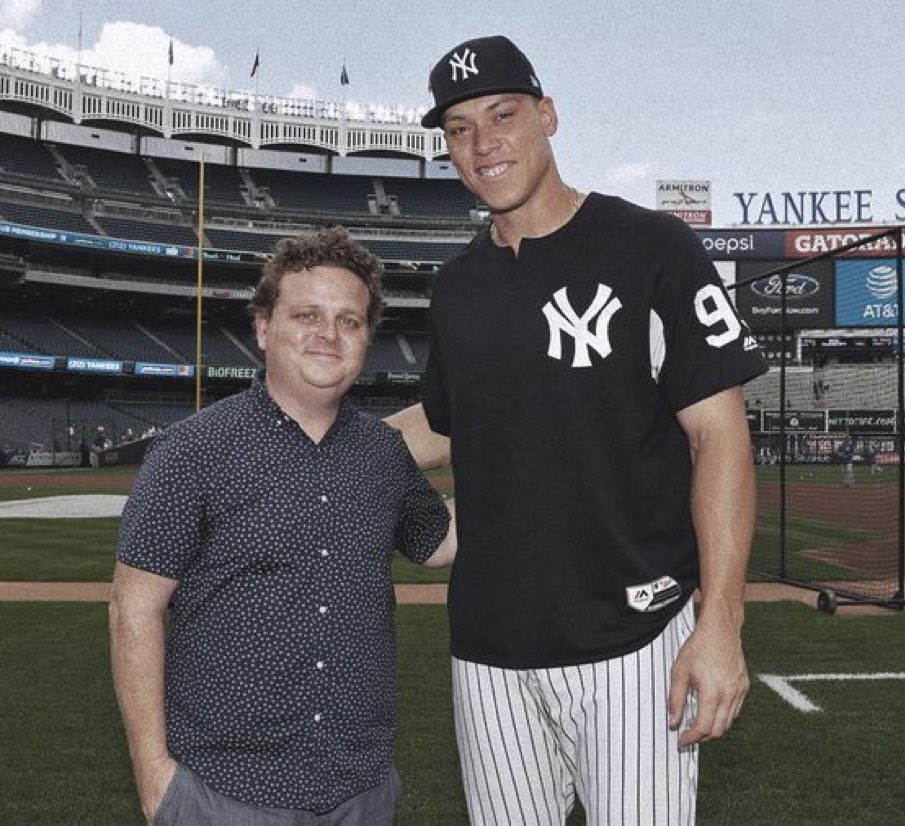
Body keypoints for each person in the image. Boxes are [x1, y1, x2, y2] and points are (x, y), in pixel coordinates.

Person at [387, 35, 768, 824]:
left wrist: (720, 621)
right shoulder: (456, 288)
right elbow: (447, 423)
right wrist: (303, 440)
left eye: (502, 115)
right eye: (458, 129)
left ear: (546, 116)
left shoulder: (649, 247)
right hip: (487, 646)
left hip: (633, 635)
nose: (483, 143)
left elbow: (718, 436)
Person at [109, 227, 456, 825]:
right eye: (308, 315)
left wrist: (539, 482)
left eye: (350, 321)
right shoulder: (194, 450)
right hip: (224, 792)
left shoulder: (382, 452)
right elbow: (132, 609)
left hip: (360, 789)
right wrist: (155, 780)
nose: (329, 334)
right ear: (264, 327)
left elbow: (438, 542)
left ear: (367, 338)